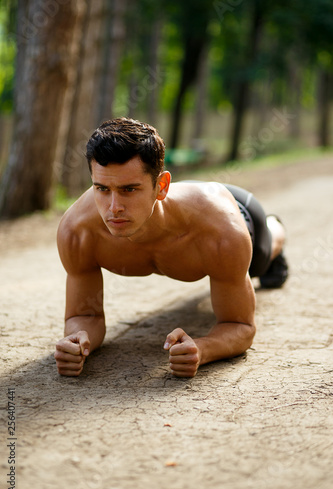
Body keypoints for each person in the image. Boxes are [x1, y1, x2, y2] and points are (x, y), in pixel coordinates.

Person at [54, 118, 288, 378]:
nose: (113, 207)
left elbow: (240, 325)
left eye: (129, 189)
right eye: (102, 188)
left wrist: (203, 348)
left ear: (161, 186)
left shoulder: (221, 233)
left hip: (237, 212)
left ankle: (275, 226)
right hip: (185, 208)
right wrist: (77, 339)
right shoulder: (77, 232)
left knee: (262, 259)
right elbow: (86, 315)